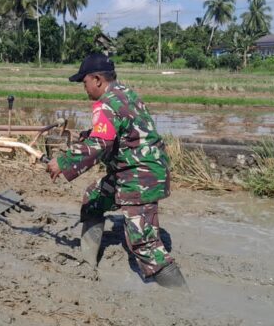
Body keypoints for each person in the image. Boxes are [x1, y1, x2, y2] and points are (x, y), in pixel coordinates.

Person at [46, 53, 187, 289]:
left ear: (98, 80)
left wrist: (63, 162)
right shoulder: (125, 94)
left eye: (85, 82)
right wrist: (89, 135)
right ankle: (88, 260)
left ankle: (180, 296)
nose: (85, 88)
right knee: (94, 198)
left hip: (139, 176)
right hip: (138, 170)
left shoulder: (105, 103)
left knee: (144, 244)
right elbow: (117, 132)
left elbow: (100, 144)